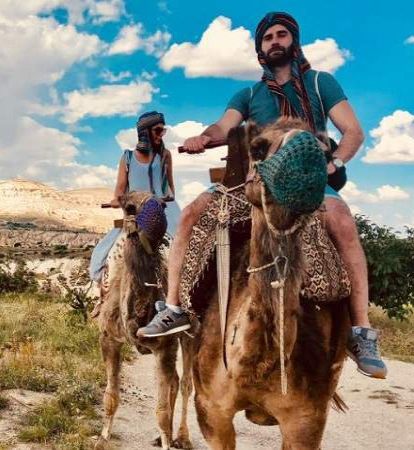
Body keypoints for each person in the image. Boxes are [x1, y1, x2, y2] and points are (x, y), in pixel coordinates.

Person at [137, 12, 387, 379]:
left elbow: (353, 132)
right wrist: (204, 138)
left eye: (281, 34)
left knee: (344, 224)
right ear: (260, 50)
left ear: (294, 42)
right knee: (190, 214)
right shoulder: (249, 93)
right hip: (253, 180)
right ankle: (174, 307)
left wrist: (333, 163)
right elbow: (224, 126)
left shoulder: (321, 84)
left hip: (307, 181)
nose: (274, 41)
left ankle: (361, 331)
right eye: (267, 37)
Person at [89, 111, 181, 286]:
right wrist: (118, 199)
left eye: (163, 131)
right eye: (158, 130)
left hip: (163, 207)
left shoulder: (165, 155)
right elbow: (120, 188)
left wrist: (166, 197)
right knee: (104, 251)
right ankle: (103, 289)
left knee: (185, 241)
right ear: (145, 131)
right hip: (136, 210)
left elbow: (170, 186)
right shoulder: (128, 157)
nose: (161, 135)